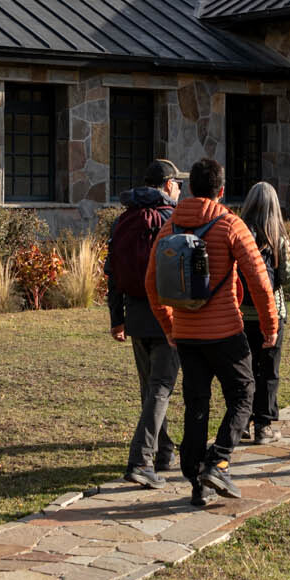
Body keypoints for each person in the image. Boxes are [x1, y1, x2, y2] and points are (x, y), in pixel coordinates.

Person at [145, 158, 279, 507]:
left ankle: (197, 482)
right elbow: (260, 283)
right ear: (221, 191)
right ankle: (218, 461)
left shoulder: (170, 226)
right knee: (243, 393)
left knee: (196, 404)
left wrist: (170, 326)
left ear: (190, 189)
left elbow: (151, 285)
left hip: (187, 335)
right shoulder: (230, 225)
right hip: (225, 333)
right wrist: (270, 326)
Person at [107, 158, 183, 489]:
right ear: (168, 185)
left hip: (136, 314)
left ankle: (163, 450)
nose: (180, 189)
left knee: (150, 388)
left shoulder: (125, 218)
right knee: (162, 387)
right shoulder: (173, 220)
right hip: (167, 313)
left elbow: (112, 273)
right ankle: (142, 460)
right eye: (178, 183)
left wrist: (117, 318)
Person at [237, 181, 290, 445]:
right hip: (271, 313)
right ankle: (263, 426)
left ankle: (242, 422)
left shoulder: (238, 234)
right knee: (269, 370)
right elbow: (287, 277)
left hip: (240, 314)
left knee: (244, 371)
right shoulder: (279, 238)